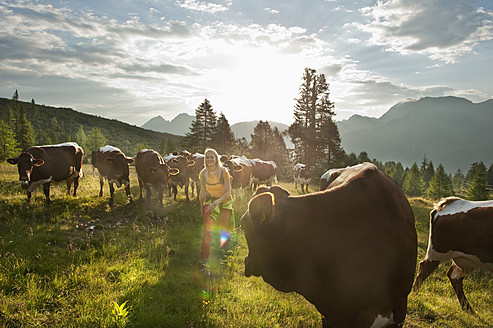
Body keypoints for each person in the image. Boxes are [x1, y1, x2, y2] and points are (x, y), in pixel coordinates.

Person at [199, 148, 233, 264]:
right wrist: (201, 206)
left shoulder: (224, 172)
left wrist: (216, 203)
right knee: (207, 230)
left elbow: (228, 193)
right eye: (207, 157)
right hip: (210, 202)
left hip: (224, 202)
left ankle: (224, 253)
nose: (209, 159)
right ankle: (204, 257)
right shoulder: (203, 173)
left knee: (224, 230)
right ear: (205, 159)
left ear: (216, 158)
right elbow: (202, 192)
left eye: (212, 157)